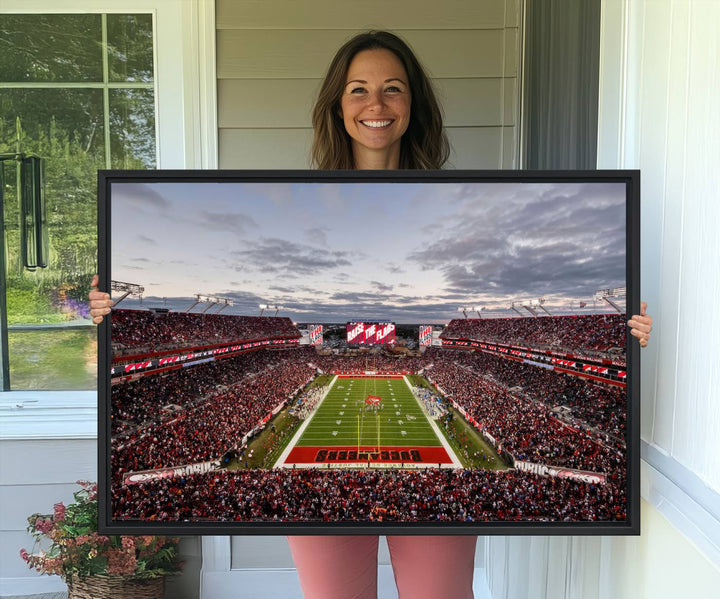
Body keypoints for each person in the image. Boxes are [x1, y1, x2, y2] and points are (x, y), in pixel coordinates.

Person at [89, 30, 653, 599]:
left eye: (393, 89)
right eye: (358, 89)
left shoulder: (455, 201)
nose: (376, 105)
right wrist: (116, 316)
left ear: (413, 105)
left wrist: (621, 334)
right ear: (338, 104)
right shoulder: (295, 198)